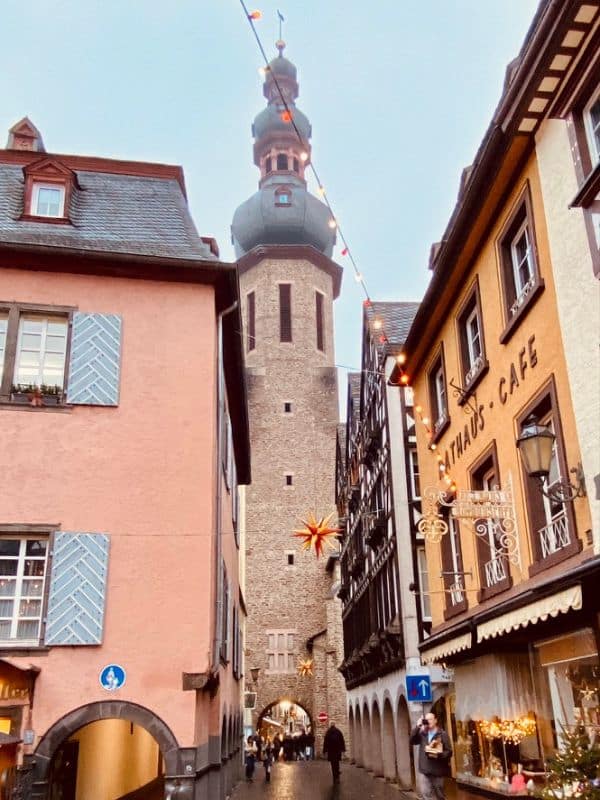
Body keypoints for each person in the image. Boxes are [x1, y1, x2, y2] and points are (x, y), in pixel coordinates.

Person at [409, 711, 453, 800]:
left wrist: (439, 754)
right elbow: (412, 740)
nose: (428, 721)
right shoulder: (422, 734)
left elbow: (449, 752)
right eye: (427, 719)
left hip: (438, 770)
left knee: (440, 796)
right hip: (424, 770)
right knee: (426, 794)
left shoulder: (442, 734)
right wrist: (418, 727)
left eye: (430, 719)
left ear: (435, 720)